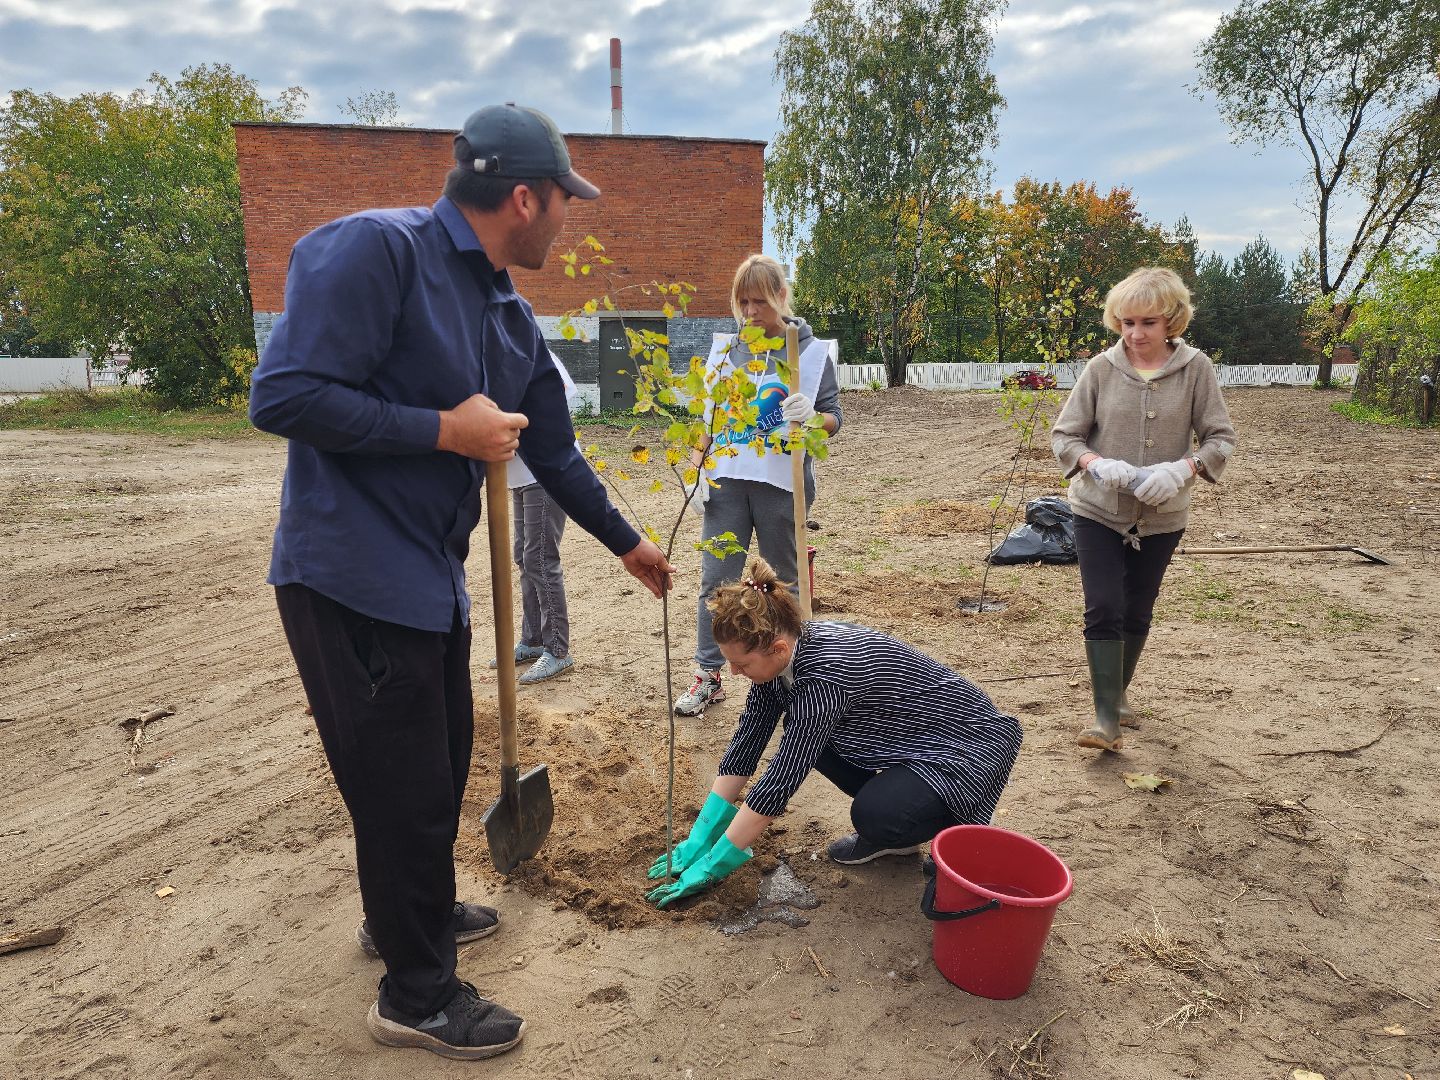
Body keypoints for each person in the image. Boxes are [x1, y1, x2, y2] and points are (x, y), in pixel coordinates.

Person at [249, 102, 673, 1061]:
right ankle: (417, 996)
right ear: (525, 198)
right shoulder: (375, 253)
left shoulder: (509, 317)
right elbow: (283, 396)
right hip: (350, 575)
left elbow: (554, 452)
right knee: (401, 788)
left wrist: (628, 543)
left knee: (433, 771)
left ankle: (408, 915)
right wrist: (445, 431)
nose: (567, 218)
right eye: (564, 200)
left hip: (428, 580)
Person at [646, 556, 1022, 907]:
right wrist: (701, 836)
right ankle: (904, 827)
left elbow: (782, 778)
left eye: (741, 664)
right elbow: (748, 742)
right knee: (810, 737)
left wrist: (715, 864)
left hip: (967, 745)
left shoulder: (824, 678)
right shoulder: (779, 661)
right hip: (907, 737)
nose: (733, 673)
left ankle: (952, 831)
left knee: (876, 814)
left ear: (778, 648)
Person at [1051, 266, 1236, 752]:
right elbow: (1065, 436)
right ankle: (1105, 719)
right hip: (1097, 510)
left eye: (1148, 323)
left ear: (1172, 320)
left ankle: (1117, 697)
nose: (1135, 333)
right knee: (1104, 605)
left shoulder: (1196, 369)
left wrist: (1185, 467)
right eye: (1127, 322)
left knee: (1137, 607)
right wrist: (1093, 463)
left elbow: (1220, 438)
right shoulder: (1100, 369)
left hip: (1162, 516)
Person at [673, 254, 842, 716]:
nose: (749, 312)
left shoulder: (809, 353)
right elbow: (708, 418)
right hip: (726, 484)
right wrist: (694, 470)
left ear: (781, 297)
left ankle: (798, 672)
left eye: (759, 302)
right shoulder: (727, 352)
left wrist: (813, 417)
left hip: (780, 486)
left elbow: (834, 417)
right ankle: (708, 675)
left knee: (783, 581)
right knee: (716, 582)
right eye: (742, 302)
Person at [489, 349, 581, 685]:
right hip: (517, 475)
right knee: (523, 556)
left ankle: (558, 650)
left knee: (539, 558)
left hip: (544, 472)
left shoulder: (530, 351)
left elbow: (556, 401)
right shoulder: (485, 353)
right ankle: (533, 640)